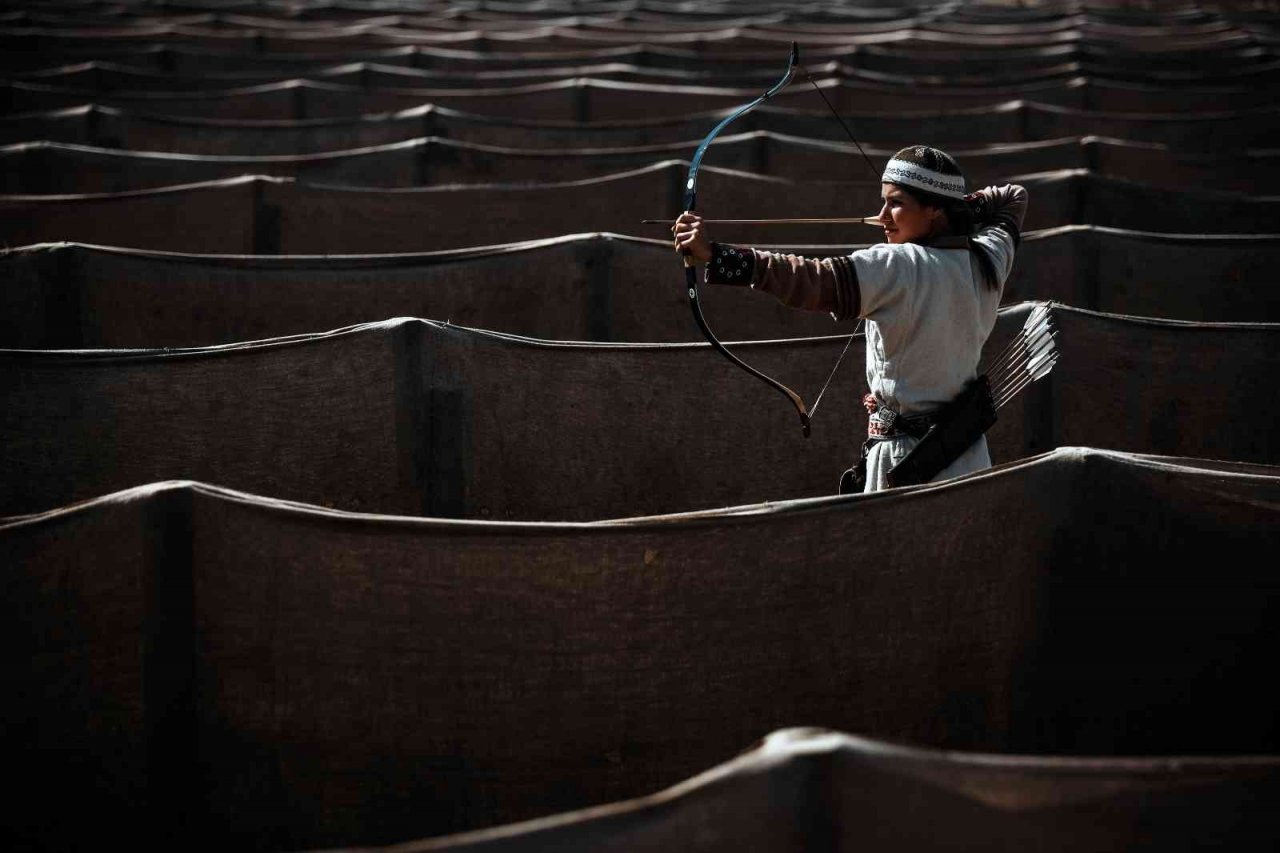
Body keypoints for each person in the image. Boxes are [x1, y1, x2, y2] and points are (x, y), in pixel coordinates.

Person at [672, 145, 1028, 493]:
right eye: (884, 201)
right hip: (969, 460)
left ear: (933, 209)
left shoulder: (899, 265)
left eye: (897, 203)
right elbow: (1014, 196)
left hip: (907, 466)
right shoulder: (989, 257)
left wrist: (716, 254)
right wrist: (960, 208)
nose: (883, 215)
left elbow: (810, 279)